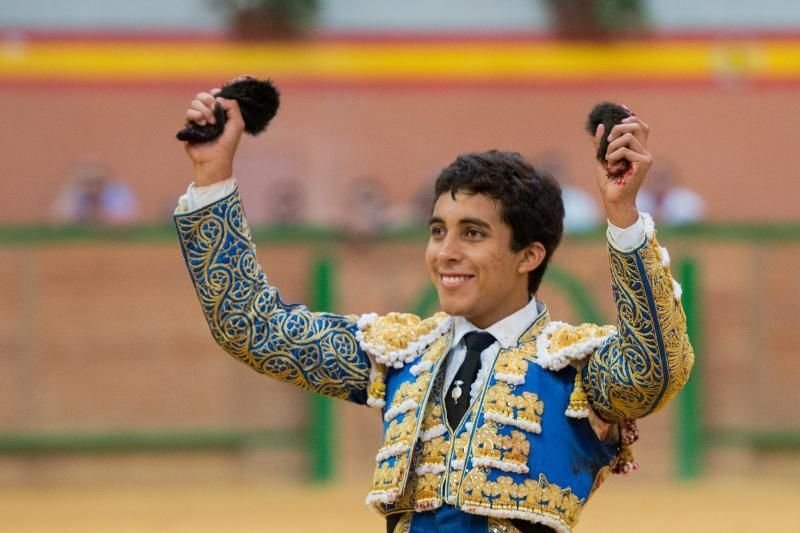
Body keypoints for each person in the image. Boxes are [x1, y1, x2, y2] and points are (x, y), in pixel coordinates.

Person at [174, 88, 694, 533]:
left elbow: (655, 370)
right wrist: (213, 174)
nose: (445, 252)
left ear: (529, 255)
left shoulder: (571, 366)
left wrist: (622, 215)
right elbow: (254, 328)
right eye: (438, 231)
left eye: (473, 233)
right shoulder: (402, 354)